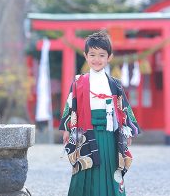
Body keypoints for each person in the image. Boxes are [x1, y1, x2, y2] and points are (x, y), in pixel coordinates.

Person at [59, 31, 140, 196]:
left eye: (102, 55)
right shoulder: (78, 82)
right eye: (92, 55)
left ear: (109, 57)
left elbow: (122, 107)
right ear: (86, 56)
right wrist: (67, 127)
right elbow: (71, 105)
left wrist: (127, 129)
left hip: (110, 134)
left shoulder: (114, 84)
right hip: (85, 132)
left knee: (111, 166)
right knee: (85, 167)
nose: (97, 59)